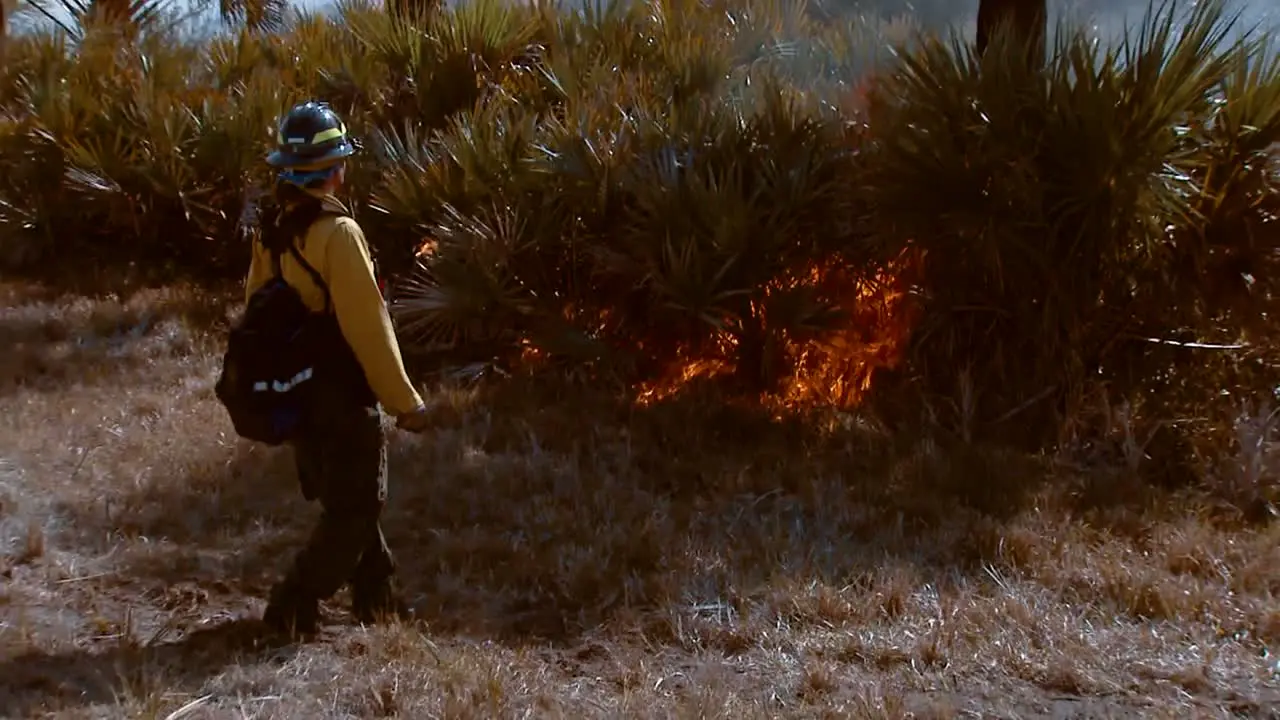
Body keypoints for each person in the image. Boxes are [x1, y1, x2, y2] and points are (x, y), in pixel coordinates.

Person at [244, 100, 431, 637]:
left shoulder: (273, 230)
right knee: (354, 509)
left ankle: (378, 600)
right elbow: (368, 327)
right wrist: (405, 403)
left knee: (347, 499)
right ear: (333, 170)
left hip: (297, 397)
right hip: (341, 397)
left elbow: (255, 304)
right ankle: (292, 603)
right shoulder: (339, 234)